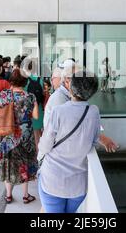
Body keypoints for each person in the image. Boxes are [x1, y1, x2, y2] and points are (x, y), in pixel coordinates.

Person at [38, 69, 101, 213]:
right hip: (78, 185)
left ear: (71, 87)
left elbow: (45, 146)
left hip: (52, 180)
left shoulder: (58, 111)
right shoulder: (94, 111)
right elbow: (94, 140)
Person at [44, 65, 118, 154]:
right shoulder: (60, 99)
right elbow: (72, 127)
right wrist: (101, 138)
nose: (83, 83)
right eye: (78, 80)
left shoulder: (72, 96)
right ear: (67, 81)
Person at [0, 69, 39, 204]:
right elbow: (36, 116)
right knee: (24, 162)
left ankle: (8, 195)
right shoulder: (30, 96)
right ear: (25, 81)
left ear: (11, 80)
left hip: (8, 134)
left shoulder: (4, 95)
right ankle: (25, 195)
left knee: (8, 163)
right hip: (25, 135)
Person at [24, 59, 45, 150]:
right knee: (39, 132)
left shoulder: (26, 80)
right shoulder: (40, 79)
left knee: (35, 135)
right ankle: (42, 151)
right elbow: (43, 93)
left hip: (30, 109)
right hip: (39, 108)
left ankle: (38, 155)